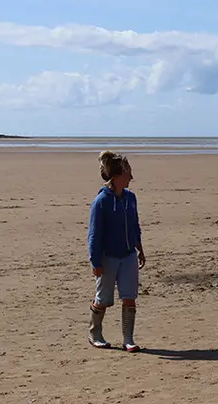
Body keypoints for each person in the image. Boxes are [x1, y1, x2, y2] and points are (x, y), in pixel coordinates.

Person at [87, 150, 146, 352]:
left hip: (128, 255)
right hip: (107, 258)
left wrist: (139, 247)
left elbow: (135, 225)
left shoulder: (131, 198)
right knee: (103, 299)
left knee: (129, 297)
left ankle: (128, 339)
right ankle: (95, 333)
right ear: (118, 174)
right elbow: (94, 234)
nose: (131, 177)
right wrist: (96, 262)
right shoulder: (101, 202)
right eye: (128, 172)